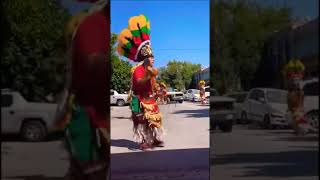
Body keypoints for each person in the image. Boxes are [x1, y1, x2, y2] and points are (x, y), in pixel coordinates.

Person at [54, 1, 110, 179]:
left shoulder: (101, 22)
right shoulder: (95, 23)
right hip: (90, 121)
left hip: (97, 120)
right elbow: (94, 63)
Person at [117, 14, 164, 150]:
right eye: (151, 57)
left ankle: (154, 140)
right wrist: (148, 76)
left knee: (154, 120)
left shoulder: (151, 69)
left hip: (150, 99)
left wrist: (158, 91)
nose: (153, 60)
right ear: (146, 59)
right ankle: (143, 141)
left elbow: (152, 84)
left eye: (154, 57)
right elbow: (139, 82)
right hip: (139, 100)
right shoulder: (137, 70)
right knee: (141, 122)